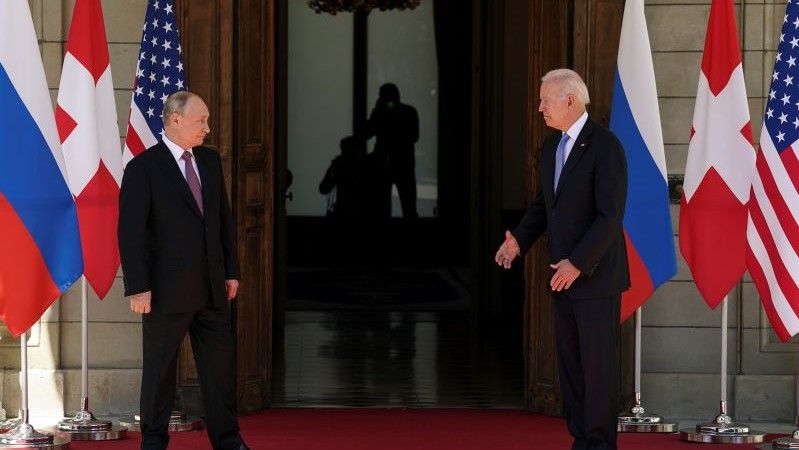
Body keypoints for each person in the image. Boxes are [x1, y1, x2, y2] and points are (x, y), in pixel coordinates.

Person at [495, 69, 629, 450]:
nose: (540, 108)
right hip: (561, 276)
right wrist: (518, 241)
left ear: (569, 100)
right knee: (570, 367)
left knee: (597, 369)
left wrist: (578, 263)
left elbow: (610, 216)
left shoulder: (605, 146)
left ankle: (600, 444)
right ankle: (581, 440)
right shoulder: (552, 146)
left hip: (594, 277)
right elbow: (545, 205)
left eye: (545, 100)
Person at [118, 91, 249, 450]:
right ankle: (153, 442)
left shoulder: (209, 161)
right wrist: (138, 286)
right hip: (165, 291)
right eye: (200, 120)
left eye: (206, 120)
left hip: (212, 288)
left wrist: (231, 271)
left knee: (220, 370)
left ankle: (228, 439)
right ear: (175, 120)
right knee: (160, 372)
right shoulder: (143, 168)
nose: (207, 127)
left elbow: (221, 220)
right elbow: (130, 232)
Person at [364, 82, 419, 219]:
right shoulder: (409, 111)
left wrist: (377, 114)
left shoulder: (382, 113)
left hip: (387, 164)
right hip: (403, 163)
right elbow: (414, 136)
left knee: (384, 209)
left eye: (381, 96)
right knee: (408, 207)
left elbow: (366, 133)